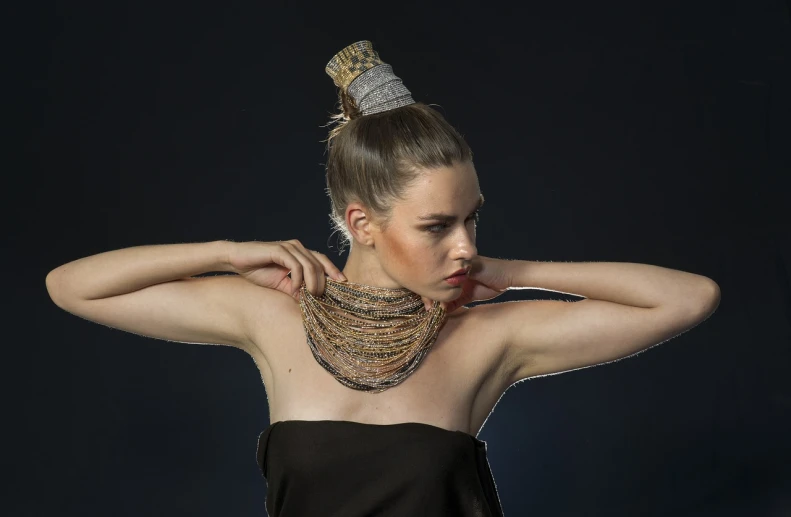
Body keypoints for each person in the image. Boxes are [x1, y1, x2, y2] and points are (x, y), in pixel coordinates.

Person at [45, 40, 720, 517]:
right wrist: (228, 252)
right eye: (436, 226)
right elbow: (73, 285)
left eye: (472, 221)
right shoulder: (274, 316)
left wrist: (510, 272)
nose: (463, 246)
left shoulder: (489, 336)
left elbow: (689, 297)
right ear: (362, 221)